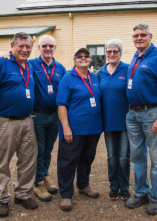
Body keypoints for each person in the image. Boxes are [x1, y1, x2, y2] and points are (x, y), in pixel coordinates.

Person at [0, 35, 67, 202]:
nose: (48, 49)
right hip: (37, 115)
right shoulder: (30, 64)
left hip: (54, 115)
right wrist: (4, 53)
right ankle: (36, 183)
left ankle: (43, 176)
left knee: (48, 150)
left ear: (55, 48)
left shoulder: (61, 68)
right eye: (44, 46)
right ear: (39, 48)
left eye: (51, 46)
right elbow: (16, 57)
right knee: (38, 150)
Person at [0, 32, 38, 217]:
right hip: (4, 122)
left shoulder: (29, 66)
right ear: (12, 45)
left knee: (28, 160)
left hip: (27, 120)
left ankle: (22, 194)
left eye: (28, 46)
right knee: (2, 163)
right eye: (21, 46)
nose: (24, 49)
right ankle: (2, 199)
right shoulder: (0, 63)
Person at [125, 22, 157, 215]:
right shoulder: (136, 57)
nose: (139, 38)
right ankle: (140, 192)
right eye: (136, 35)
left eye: (143, 35)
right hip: (133, 115)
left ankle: (156, 197)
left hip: (152, 113)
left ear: (150, 36)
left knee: (156, 159)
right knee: (137, 157)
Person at [56, 48, 102, 211]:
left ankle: (83, 185)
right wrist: (66, 127)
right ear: (74, 60)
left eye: (86, 56)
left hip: (93, 129)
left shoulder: (94, 77)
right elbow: (61, 105)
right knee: (67, 162)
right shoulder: (68, 79)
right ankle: (66, 195)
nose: (83, 58)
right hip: (74, 130)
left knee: (86, 159)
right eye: (80, 57)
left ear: (90, 59)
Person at [96, 39, 131, 201]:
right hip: (108, 121)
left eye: (115, 51)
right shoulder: (100, 73)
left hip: (125, 121)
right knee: (111, 156)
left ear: (120, 53)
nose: (111, 54)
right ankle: (113, 186)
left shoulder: (128, 70)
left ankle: (124, 187)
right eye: (109, 51)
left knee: (124, 156)